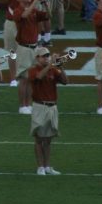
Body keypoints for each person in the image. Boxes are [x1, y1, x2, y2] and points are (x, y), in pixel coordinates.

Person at [28, 47, 67, 175]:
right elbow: (38, 77)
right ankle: (40, 166)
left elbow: (65, 81)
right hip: (40, 106)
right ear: (37, 58)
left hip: (52, 106)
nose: (46, 58)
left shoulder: (53, 70)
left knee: (49, 139)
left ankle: (47, 166)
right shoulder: (33, 70)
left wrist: (61, 67)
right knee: (39, 138)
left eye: (48, 56)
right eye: (44, 56)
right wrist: (51, 65)